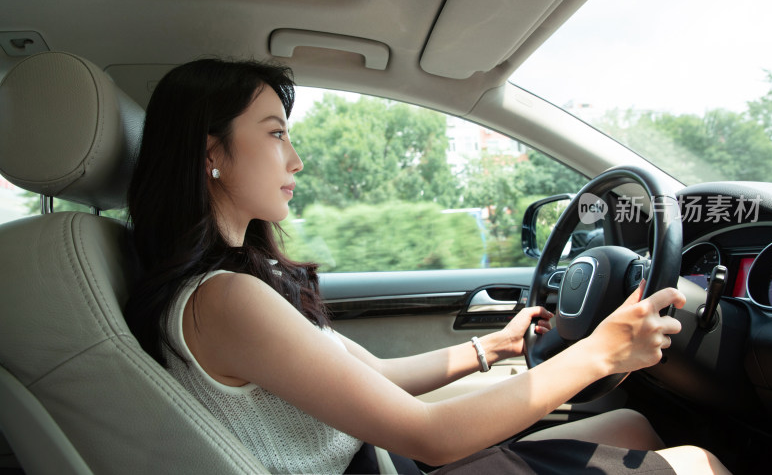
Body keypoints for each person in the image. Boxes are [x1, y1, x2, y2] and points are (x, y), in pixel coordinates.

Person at [125, 58, 730, 474]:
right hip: (392, 463)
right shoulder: (224, 300)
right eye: (276, 134)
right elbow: (428, 434)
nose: (297, 158)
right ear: (213, 155)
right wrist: (601, 352)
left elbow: (376, 378)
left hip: (386, 461)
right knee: (699, 463)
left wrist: (489, 349)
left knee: (628, 425)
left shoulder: (238, 286)